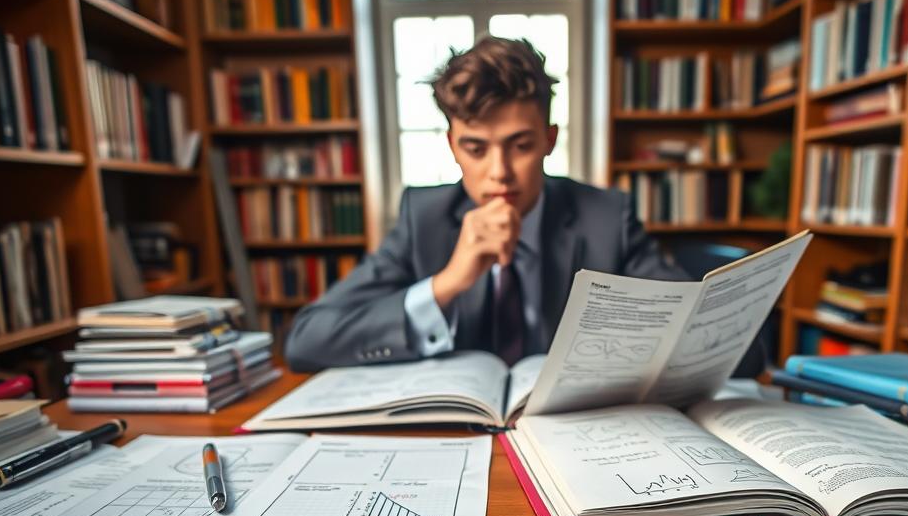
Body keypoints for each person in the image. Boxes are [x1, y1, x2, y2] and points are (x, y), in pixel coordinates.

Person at [285, 35, 762, 374]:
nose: (499, 172)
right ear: (452, 146)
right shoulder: (422, 217)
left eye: (520, 145)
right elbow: (306, 340)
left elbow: (735, 350)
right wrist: (447, 284)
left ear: (549, 140)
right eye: (476, 148)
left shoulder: (606, 217)